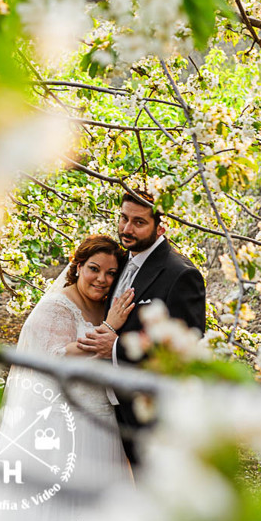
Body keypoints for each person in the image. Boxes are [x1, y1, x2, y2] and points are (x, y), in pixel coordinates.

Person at [0, 235, 136, 521]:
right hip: (64, 427)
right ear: (78, 266)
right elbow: (57, 359)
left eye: (111, 273)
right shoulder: (56, 306)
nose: (102, 279)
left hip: (102, 421)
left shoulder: (105, 305)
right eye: (94, 269)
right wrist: (110, 327)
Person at [77, 192, 206, 467]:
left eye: (138, 222)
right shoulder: (120, 262)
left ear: (161, 227)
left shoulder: (181, 275)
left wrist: (114, 347)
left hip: (152, 417)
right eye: (123, 218)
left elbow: (187, 350)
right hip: (110, 410)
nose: (126, 229)